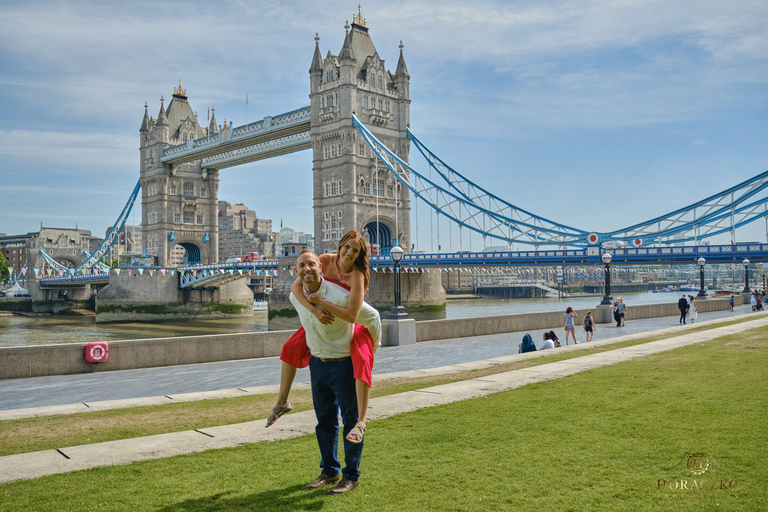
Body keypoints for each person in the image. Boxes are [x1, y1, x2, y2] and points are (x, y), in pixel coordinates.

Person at [268, 231, 380, 448]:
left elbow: (353, 315)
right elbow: (296, 286)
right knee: (290, 347)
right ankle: (282, 401)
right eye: (346, 247)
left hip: (348, 309)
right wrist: (314, 310)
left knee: (364, 355)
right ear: (339, 246)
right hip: (322, 305)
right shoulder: (324, 260)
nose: (349, 253)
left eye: (355, 251)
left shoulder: (357, 275)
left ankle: (362, 420)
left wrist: (322, 304)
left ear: (359, 255)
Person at [289, 249, 375, 494]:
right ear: (296, 271)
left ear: (320, 267)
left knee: (350, 422)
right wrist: (315, 310)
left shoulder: (339, 295)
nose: (307, 269)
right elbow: (298, 293)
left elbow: (372, 317)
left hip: (343, 364)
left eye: (311, 265)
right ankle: (329, 471)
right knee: (324, 421)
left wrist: (374, 347)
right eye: (302, 265)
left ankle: (351, 476)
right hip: (317, 365)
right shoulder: (296, 296)